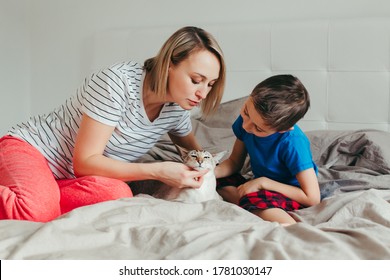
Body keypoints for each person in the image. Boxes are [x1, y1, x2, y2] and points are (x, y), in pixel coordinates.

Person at [0, 26, 226, 222]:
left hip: (69, 179)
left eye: (210, 84)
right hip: (31, 150)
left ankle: (42, 195)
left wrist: (230, 173)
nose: (203, 93)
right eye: (196, 80)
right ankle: (37, 198)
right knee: (33, 212)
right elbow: (85, 163)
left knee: (119, 194)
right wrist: (159, 171)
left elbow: (198, 156)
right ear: (169, 65)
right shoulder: (116, 83)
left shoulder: (177, 110)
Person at [215, 74, 320, 226]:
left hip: (291, 193)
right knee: (217, 175)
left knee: (254, 198)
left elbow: (312, 197)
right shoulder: (246, 123)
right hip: (258, 186)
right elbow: (234, 162)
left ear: (284, 129)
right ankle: (249, 204)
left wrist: (263, 182)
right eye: (246, 111)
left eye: (258, 128)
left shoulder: (293, 143)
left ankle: (293, 228)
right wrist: (209, 173)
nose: (246, 126)